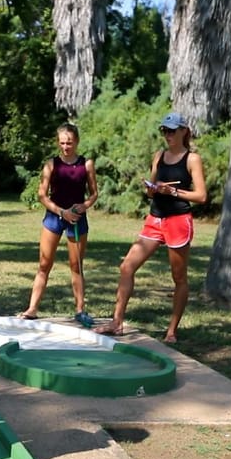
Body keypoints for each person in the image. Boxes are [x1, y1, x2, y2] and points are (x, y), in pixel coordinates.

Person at [94, 112, 207, 344]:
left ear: (184, 131)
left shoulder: (191, 159)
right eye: (164, 131)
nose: (167, 135)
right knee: (127, 266)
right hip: (155, 218)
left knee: (178, 277)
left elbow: (201, 195)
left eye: (172, 131)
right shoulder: (159, 156)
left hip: (178, 220)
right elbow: (151, 190)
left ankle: (172, 331)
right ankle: (117, 323)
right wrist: (152, 188)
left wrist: (173, 191)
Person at [18, 123, 99, 327]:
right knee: (44, 264)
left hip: (78, 219)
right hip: (55, 217)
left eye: (69, 143)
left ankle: (80, 309)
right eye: (62, 143)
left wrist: (84, 206)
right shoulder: (51, 165)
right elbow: (42, 195)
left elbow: (94, 193)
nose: (65, 147)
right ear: (57, 143)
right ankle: (32, 309)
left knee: (76, 266)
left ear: (77, 142)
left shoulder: (86, 164)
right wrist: (61, 212)